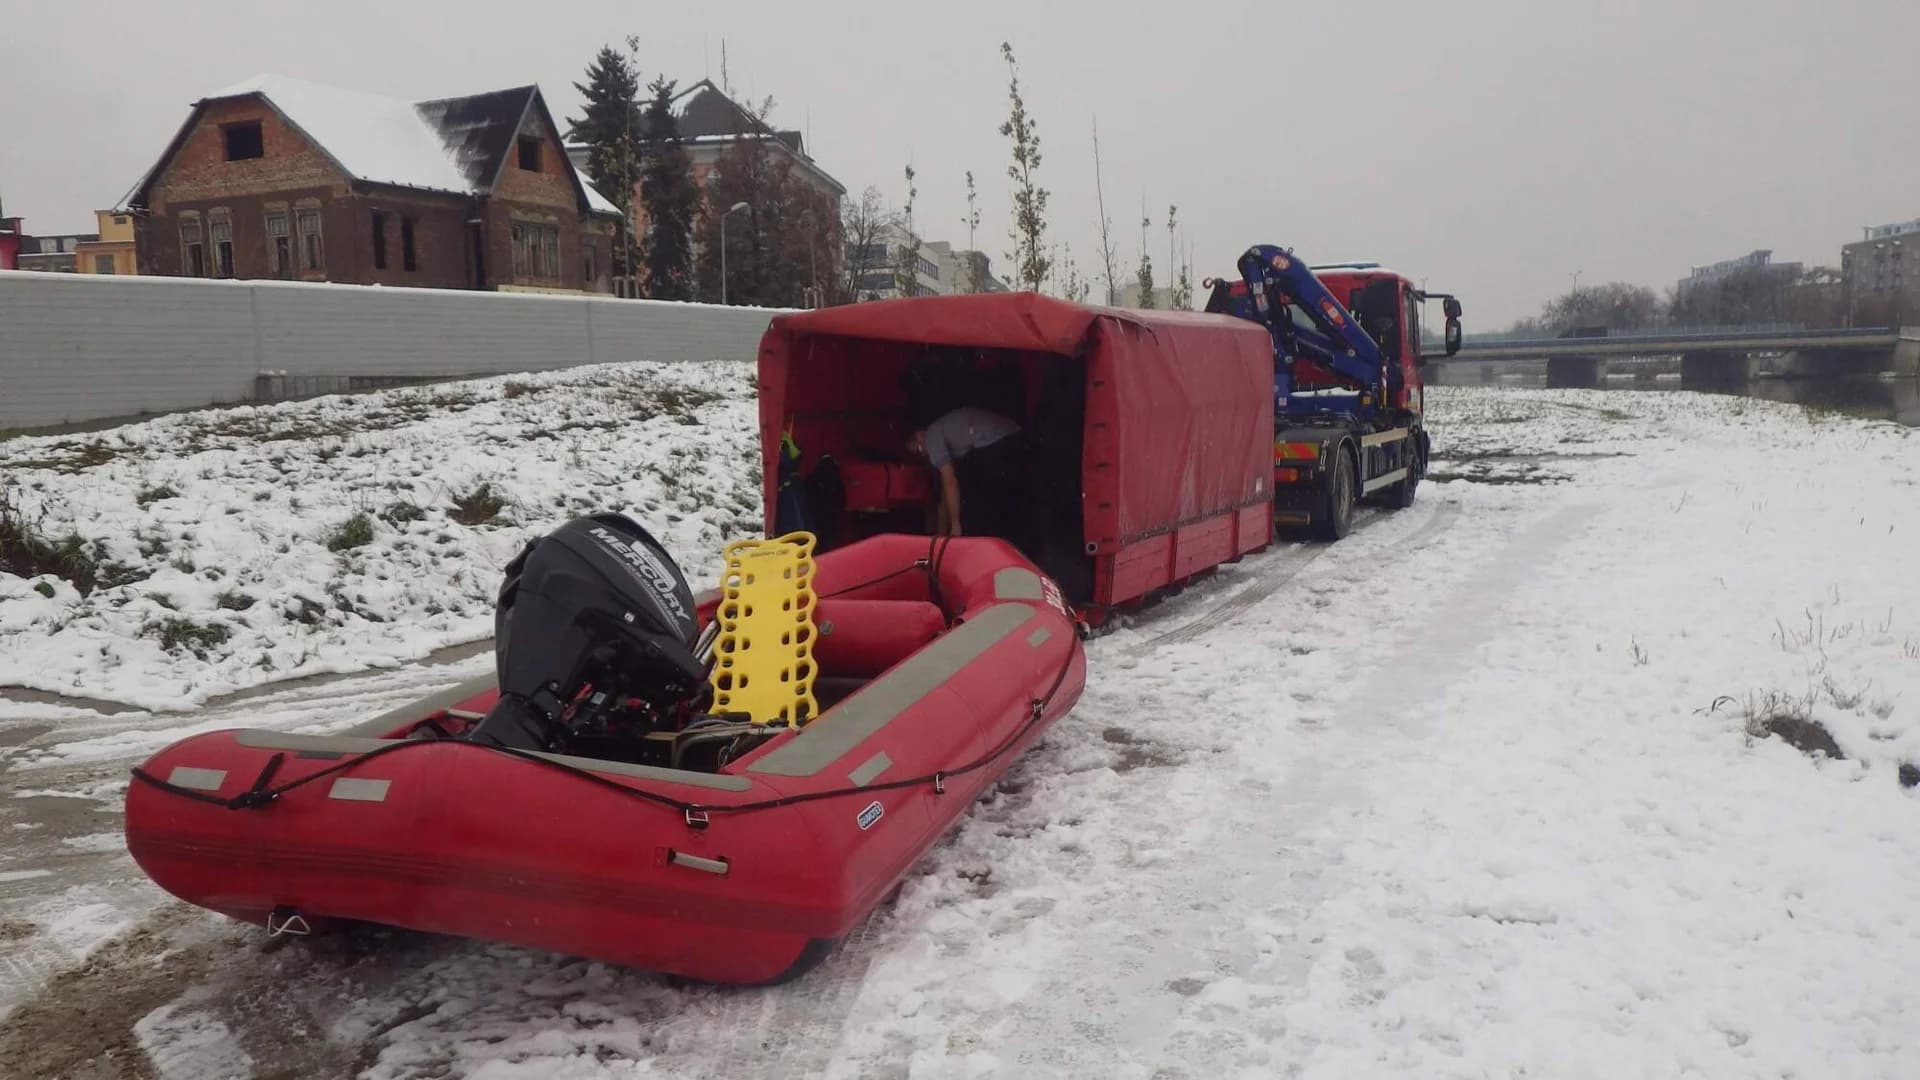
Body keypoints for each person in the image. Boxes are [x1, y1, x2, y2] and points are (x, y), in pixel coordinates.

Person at [907, 406, 1028, 541]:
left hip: (998, 442)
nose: (924, 454)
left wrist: (956, 525)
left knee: (979, 501)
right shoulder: (945, 430)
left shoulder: (931, 437)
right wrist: (940, 536)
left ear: (919, 435)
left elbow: (951, 482)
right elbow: (946, 494)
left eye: (919, 449)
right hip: (1012, 435)